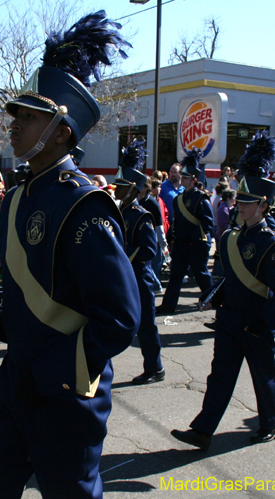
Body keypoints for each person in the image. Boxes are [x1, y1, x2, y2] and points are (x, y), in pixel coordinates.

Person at [0, 11, 139, 499]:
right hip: (15, 380)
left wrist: (56, 373)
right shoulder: (18, 197)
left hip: (64, 391)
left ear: (61, 131)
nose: (14, 125)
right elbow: (28, 290)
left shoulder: (84, 205)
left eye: (28, 117)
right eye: (16, 115)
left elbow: (119, 318)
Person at [171, 158, 275, 451]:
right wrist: (215, 296)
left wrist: (264, 322)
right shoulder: (229, 238)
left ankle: (271, 421)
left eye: (249, 202)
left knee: (263, 376)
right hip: (229, 320)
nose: (241, 205)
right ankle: (202, 430)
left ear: (263, 205)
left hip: (256, 322)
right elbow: (232, 279)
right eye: (241, 200)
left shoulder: (272, 242)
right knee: (219, 377)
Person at [114, 138, 164, 385]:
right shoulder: (117, 211)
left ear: (133, 190)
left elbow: (149, 251)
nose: (116, 189)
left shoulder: (141, 216)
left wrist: (119, 251)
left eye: (121, 186)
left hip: (139, 277)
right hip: (121, 276)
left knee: (146, 326)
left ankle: (154, 368)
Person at [156, 151, 214, 315]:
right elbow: (177, 221)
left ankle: (213, 300)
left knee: (202, 275)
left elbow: (208, 223)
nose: (183, 179)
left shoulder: (201, 198)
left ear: (194, 180)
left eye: (187, 177)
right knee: (175, 276)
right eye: (183, 176)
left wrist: (194, 237)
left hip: (196, 244)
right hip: (181, 244)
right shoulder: (178, 199)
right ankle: (168, 305)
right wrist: (172, 237)